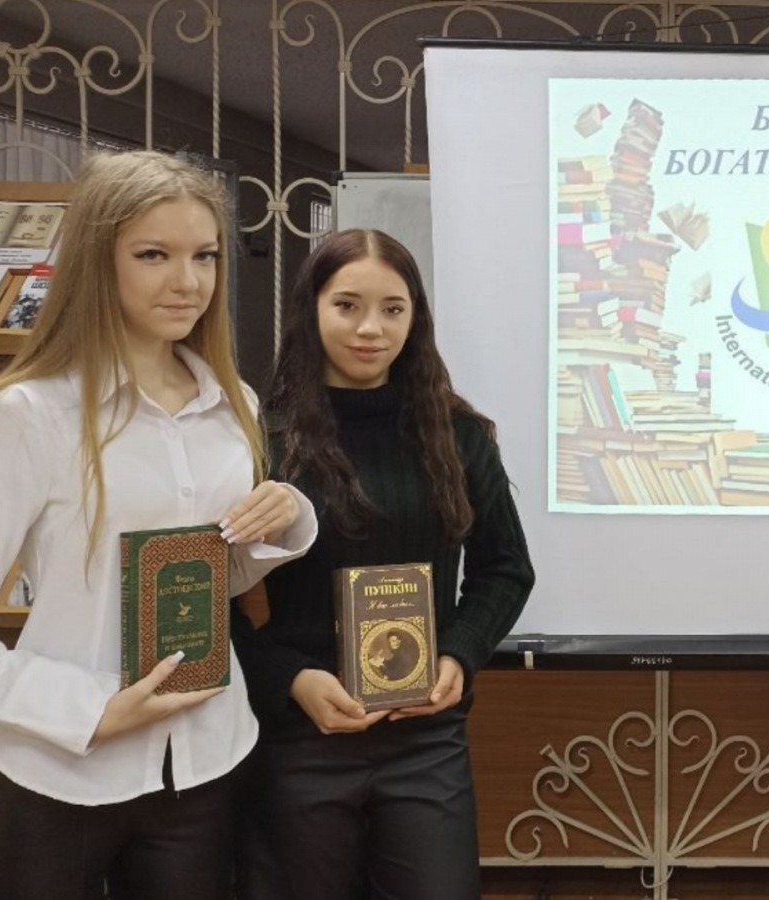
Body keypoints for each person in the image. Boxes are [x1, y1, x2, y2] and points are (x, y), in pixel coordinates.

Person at [0, 150, 317, 900]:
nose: (188, 281)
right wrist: (88, 708)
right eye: (153, 255)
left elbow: (209, 578)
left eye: (205, 256)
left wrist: (285, 520)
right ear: (96, 262)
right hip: (57, 770)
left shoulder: (234, 403)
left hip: (205, 759)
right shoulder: (31, 415)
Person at [232, 228, 535, 900]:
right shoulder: (260, 440)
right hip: (299, 735)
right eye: (347, 306)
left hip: (424, 739)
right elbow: (212, 599)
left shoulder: (457, 436)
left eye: (393, 309)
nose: (371, 328)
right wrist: (291, 680)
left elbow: (506, 569)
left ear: (415, 318)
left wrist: (458, 654)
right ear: (311, 310)